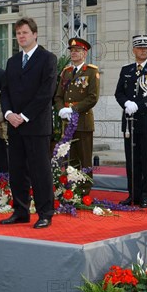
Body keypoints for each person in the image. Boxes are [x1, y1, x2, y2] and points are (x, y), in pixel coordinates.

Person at [0, 17, 57, 229]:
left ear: (35, 34)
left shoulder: (47, 58)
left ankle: (45, 213)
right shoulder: (12, 62)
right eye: (18, 33)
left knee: (40, 172)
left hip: (35, 126)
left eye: (25, 32)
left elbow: (46, 93)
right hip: (14, 126)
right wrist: (7, 113)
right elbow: (4, 91)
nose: (21, 36)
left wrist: (23, 116)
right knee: (17, 171)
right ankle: (20, 211)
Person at [114, 34, 147, 208]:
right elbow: (118, 92)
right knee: (131, 160)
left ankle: (145, 195)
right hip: (129, 122)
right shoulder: (126, 70)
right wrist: (126, 103)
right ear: (134, 50)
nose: (143, 50)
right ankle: (132, 194)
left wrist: (138, 105)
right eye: (139, 48)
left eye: (146, 48)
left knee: (145, 160)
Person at [54, 37, 100, 195]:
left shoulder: (91, 71)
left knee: (84, 159)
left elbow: (92, 97)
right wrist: (61, 109)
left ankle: (84, 191)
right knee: (69, 159)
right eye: (72, 51)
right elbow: (58, 96)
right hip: (67, 123)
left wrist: (73, 109)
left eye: (77, 51)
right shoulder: (66, 72)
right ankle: (71, 190)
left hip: (83, 122)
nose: (74, 53)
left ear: (84, 53)